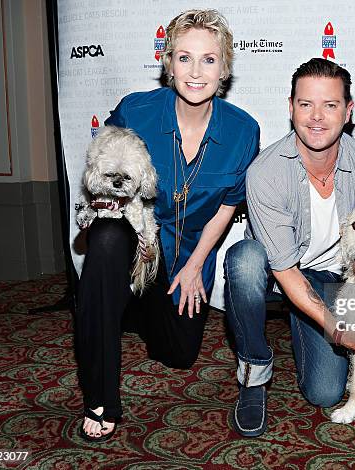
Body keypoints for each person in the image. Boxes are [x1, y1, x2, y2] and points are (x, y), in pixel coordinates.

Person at [76, 9, 260, 441]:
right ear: (168, 63)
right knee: (105, 241)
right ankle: (101, 397)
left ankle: (129, 305)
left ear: (225, 68)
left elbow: (229, 205)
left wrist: (196, 264)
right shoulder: (134, 111)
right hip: (133, 235)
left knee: (177, 353)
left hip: (186, 255)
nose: (196, 72)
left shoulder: (243, 130)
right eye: (184, 57)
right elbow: (101, 170)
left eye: (209, 60)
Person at [223, 58, 355, 437]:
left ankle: (305, 324)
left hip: (337, 278)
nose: (316, 117)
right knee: (244, 260)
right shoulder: (266, 172)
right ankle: (252, 374)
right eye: (305, 104)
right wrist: (341, 333)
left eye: (330, 105)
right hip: (281, 269)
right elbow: (284, 269)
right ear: (290, 107)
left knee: (325, 392)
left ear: (348, 111)